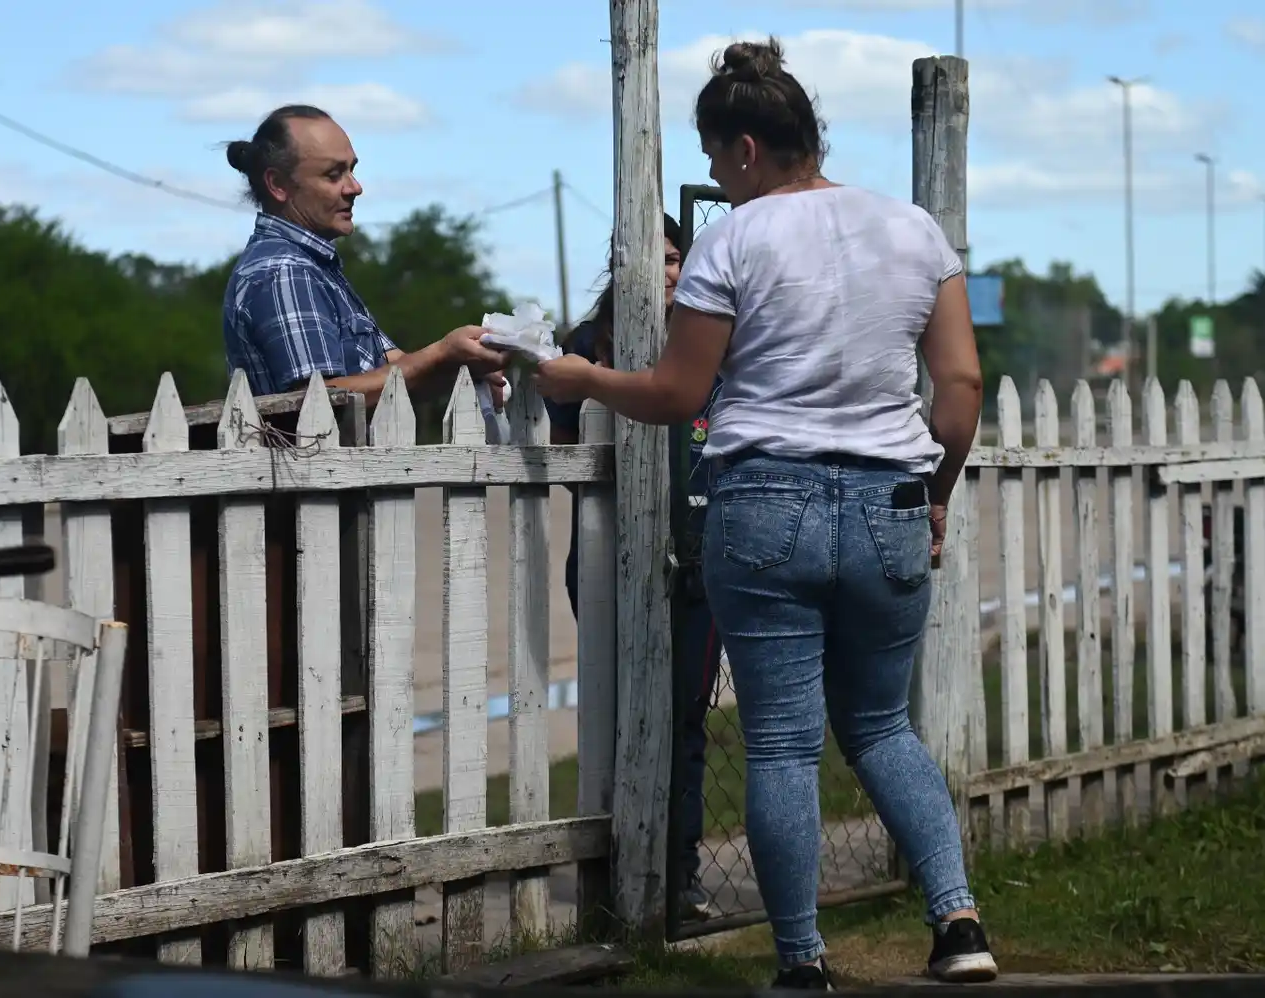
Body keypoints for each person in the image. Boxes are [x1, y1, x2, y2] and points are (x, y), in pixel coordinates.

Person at [533, 38, 994, 990]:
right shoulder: (913, 231)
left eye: (711, 158)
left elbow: (674, 392)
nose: (713, 176)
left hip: (765, 500)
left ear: (745, 148)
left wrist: (584, 379)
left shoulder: (731, 241)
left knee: (783, 738)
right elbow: (960, 388)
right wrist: (935, 497)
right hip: (889, 504)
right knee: (880, 728)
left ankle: (801, 963)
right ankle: (957, 923)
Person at [544, 215, 722, 924]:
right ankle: (618, 873)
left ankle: (678, 874)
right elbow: (562, 458)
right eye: (649, 259)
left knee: (682, 719)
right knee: (616, 719)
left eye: (675, 258)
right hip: (604, 557)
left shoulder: (712, 341)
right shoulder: (584, 349)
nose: (664, 273)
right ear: (620, 268)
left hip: (697, 559)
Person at [221, 104, 506, 408]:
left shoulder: (315, 266)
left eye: (351, 169)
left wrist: (463, 365)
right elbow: (318, 401)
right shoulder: (285, 271)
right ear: (277, 185)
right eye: (333, 175)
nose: (355, 187)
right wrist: (440, 353)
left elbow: (395, 369)